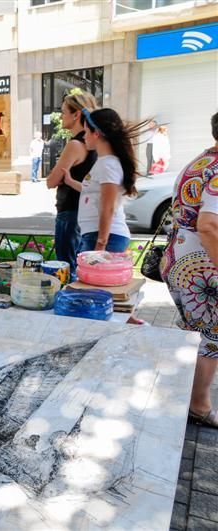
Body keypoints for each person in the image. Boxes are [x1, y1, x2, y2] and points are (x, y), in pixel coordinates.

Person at [62, 107, 147, 327]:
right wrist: (72, 183)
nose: (84, 137)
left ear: (96, 133)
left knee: (98, 296)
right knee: (102, 294)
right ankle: (130, 322)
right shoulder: (105, 163)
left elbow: (107, 208)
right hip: (99, 237)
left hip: (104, 239)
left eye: (86, 132)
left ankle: (126, 326)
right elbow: (96, 194)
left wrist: (100, 244)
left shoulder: (108, 164)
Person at [162, 112, 218, 427]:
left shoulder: (202, 160)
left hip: (181, 255)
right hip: (202, 265)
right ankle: (198, 406)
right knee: (212, 336)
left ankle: (184, 395)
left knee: (195, 332)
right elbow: (209, 225)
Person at [46, 92, 98, 277]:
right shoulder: (92, 141)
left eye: (63, 112)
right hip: (83, 210)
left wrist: (56, 173)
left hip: (70, 212)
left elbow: (51, 181)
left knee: (67, 269)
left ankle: (71, 303)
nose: (61, 116)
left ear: (76, 115)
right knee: (78, 266)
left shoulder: (76, 144)